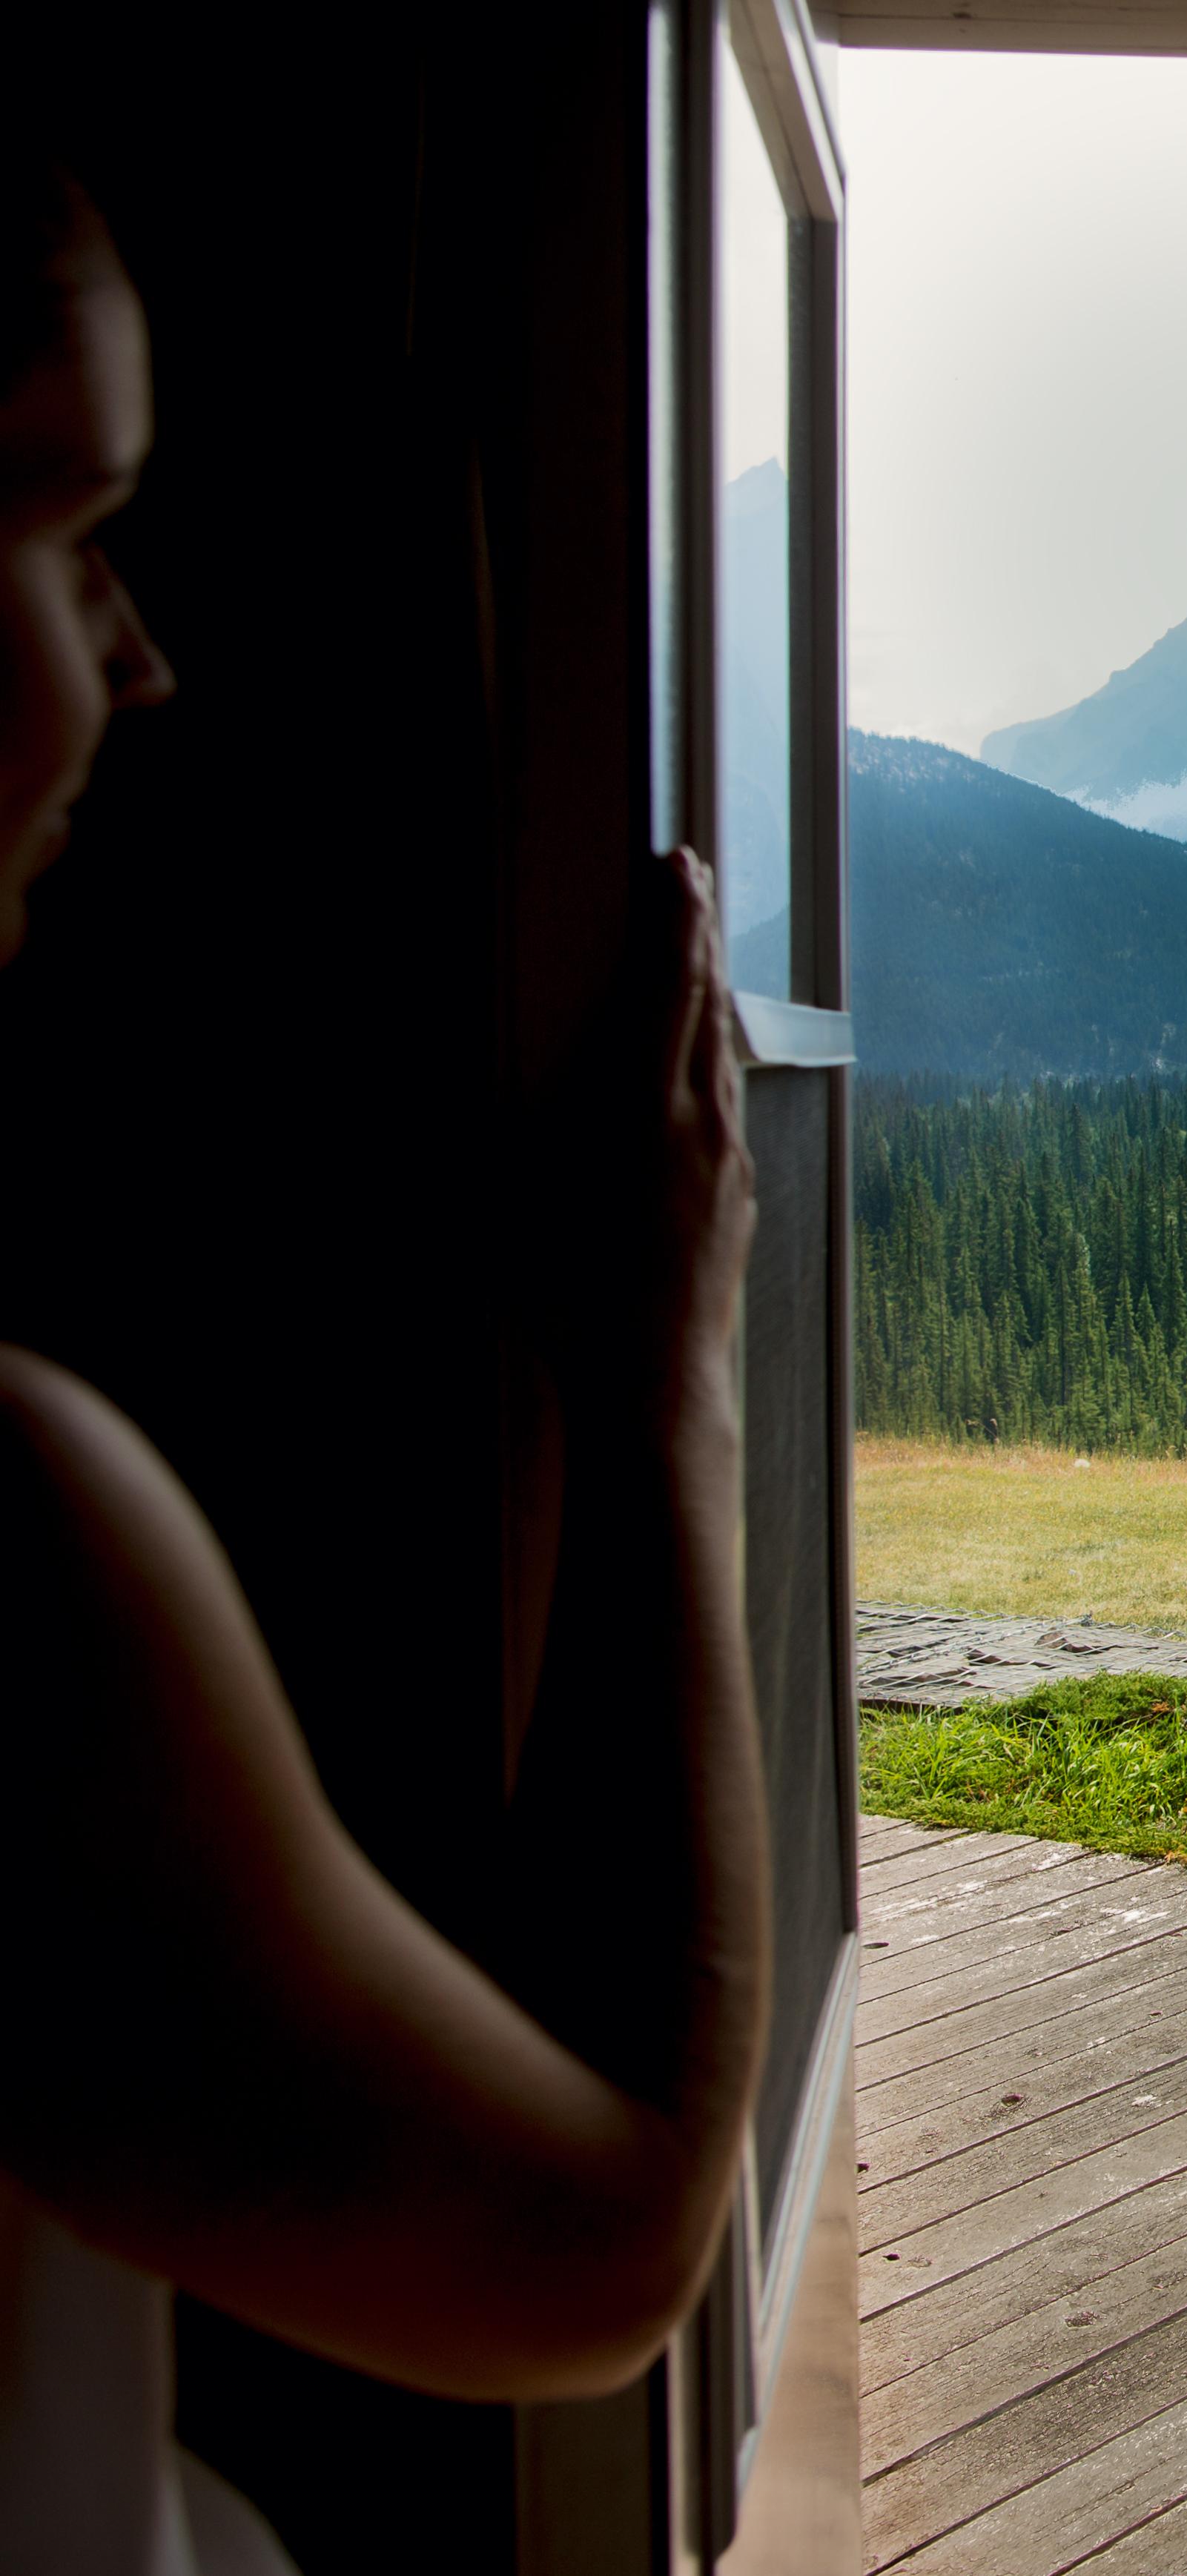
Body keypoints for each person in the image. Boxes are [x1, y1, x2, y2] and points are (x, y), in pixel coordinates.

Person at [0, 164, 768, 2569]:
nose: (137, 656)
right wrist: (665, 1392)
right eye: (53, 531)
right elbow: (607, 2248)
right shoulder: (9, 1532)